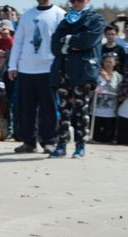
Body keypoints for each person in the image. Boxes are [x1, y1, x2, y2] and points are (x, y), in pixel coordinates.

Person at [48, 0, 105, 158]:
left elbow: (87, 41)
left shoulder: (96, 19)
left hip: (83, 70)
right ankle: (61, 144)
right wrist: (72, 43)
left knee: (81, 110)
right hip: (63, 69)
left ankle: (80, 145)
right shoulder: (65, 19)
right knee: (63, 109)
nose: (75, 3)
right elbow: (54, 46)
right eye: (72, 0)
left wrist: (66, 41)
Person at [8, 0, 65, 154]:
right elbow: (18, 42)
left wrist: (61, 67)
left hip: (48, 68)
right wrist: (13, 65)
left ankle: (49, 141)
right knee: (26, 108)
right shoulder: (26, 15)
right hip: (26, 68)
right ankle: (29, 141)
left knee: (49, 107)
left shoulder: (60, 14)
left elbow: (63, 42)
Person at [92, 53, 122, 143]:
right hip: (96, 111)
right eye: (106, 61)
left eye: (110, 62)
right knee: (95, 139)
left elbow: (117, 90)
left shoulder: (118, 76)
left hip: (110, 112)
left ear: (114, 63)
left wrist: (108, 79)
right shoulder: (96, 75)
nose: (108, 64)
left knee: (107, 139)